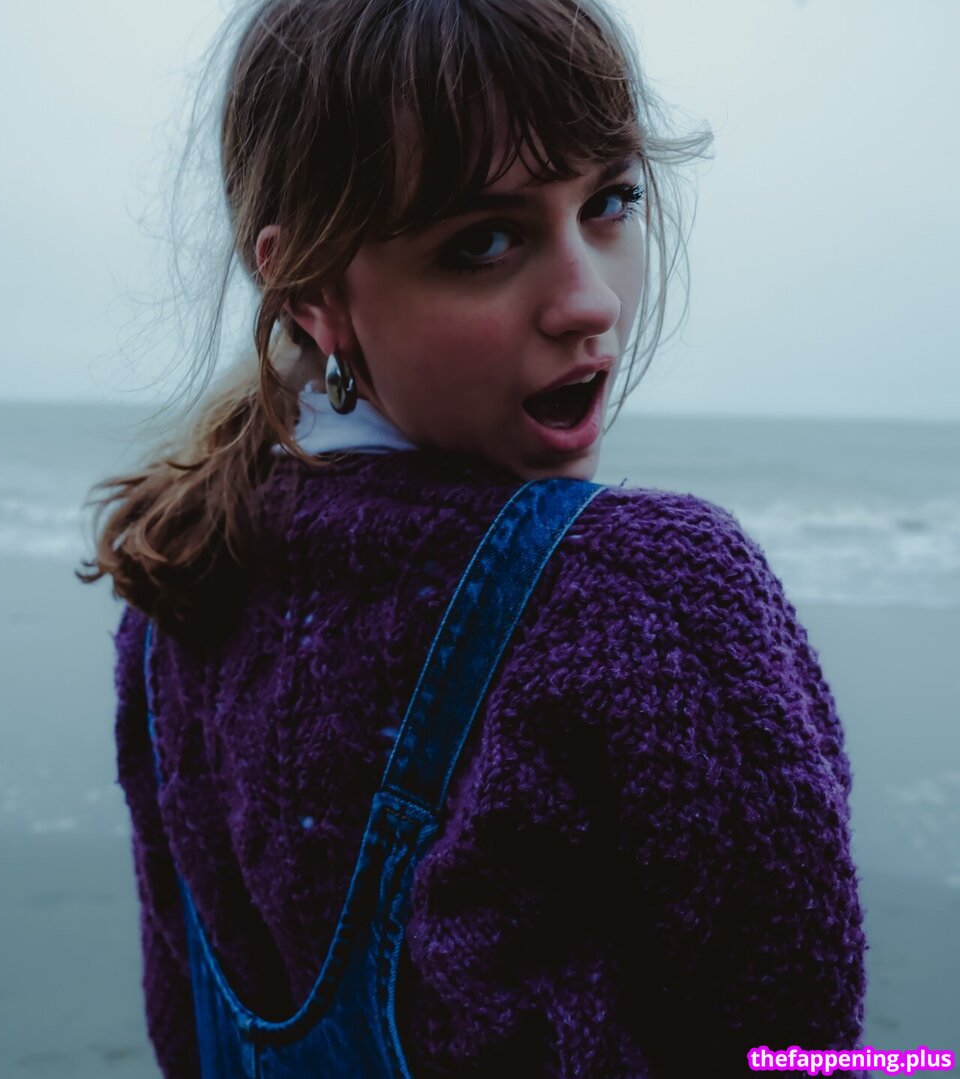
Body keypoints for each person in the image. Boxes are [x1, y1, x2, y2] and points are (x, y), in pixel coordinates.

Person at [79, 0, 867, 1075]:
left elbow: (187, 1039)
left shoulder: (176, 589)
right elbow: (800, 1053)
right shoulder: (644, 595)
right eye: (484, 241)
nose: (589, 302)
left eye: (611, 201)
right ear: (311, 290)